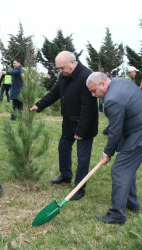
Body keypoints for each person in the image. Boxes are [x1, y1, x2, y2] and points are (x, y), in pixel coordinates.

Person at [86, 72, 142, 225]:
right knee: (127, 168)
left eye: (94, 91)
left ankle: (117, 215)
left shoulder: (112, 99)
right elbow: (124, 113)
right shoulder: (120, 81)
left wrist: (107, 153)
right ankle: (131, 204)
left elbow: (116, 131)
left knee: (120, 169)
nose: (94, 95)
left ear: (102, 83)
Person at [30, 51, 98, 201]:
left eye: (62, 68)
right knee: (63, 147)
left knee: (82, 157)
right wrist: (39, 105)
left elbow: (89, 109)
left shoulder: (87, 76)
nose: (60, 71)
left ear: (72, 62)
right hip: (69, 121)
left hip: (85, 124)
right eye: (58, 68)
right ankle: (66, 175)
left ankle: (79, 188)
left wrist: (81, 131)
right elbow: (55, 93)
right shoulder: (64, 75)